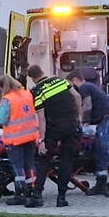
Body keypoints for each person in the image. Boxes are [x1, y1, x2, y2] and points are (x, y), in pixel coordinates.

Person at [26, 64, 82, 208]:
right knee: (66, 161)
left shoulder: (37, 91)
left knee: (44, 160)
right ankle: (61, 198)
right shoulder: (61, 81)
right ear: (43, 72)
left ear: (32, 78)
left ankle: (37, 195)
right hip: (71, 125)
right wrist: (79, 118)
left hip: (54, 128)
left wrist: (42, 140)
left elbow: (42, 117)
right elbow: (77, 96)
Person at [67, 69, 109, 196]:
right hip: (103, 121)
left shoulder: (84, 87)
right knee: (98, 151)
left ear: (74, 80)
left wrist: (83, 123)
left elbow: (87, 106)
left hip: (107, 119)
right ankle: (101, 182)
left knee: (105, 147)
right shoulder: (91, 87)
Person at [0, 75, 40, 206]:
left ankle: (20, 193)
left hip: (15, 140)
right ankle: (33, 191)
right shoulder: (27, 94)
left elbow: (0, 119)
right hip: (31, 137)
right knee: (30, 165)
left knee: (18, 168)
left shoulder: (8, 99)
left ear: (2, 87)